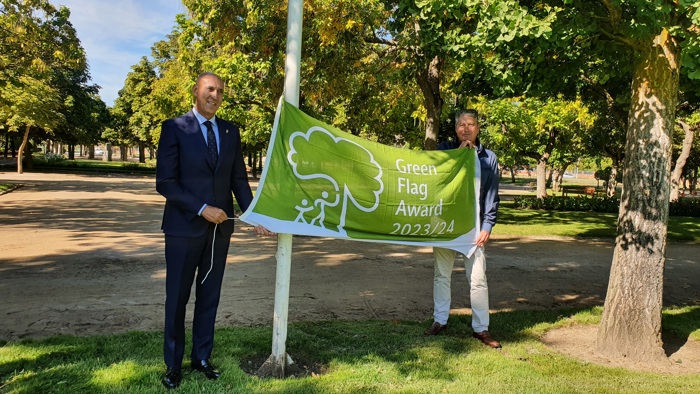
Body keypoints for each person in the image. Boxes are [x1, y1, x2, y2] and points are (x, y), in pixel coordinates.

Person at [155, 72, 273, 389]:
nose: (215, 95)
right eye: (210, 89)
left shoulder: (230, 131)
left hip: (219, 233)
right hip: (183, 229)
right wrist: (201, 208)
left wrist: (255, 215)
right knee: (177, 299)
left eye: (220, 91)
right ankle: (173, 364)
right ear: (196, 91)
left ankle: (202, 358)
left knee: (210, 297)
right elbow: (165, 183)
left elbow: (238, 180)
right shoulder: (174, 128)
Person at [423, 109, 502, 349]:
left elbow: (492, 195)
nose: (466, 128)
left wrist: (488, 224)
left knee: (478, 279)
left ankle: (481, 328)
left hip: (473, 228)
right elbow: (435, 178)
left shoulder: (489, 158)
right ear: (456, 128)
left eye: (471, 124)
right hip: (445, 224)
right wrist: (457, 156)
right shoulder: (444, 150)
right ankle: (440, 320)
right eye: (461, 124)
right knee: (441, 275)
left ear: (478, 128)